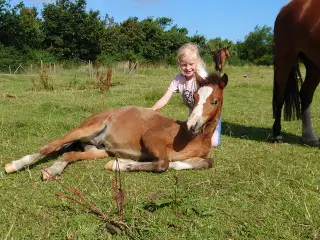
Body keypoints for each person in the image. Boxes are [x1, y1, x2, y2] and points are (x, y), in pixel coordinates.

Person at [151, 42, 222, 147]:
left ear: (197, 62)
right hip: (194, 113)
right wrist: (152, 109)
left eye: (191, 64)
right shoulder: (178, 79)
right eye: (184, 65)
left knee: (213, 142)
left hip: (208, 113)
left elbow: (210, 100)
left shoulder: (202, 78)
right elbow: (165, 98)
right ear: (179, 64)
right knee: (188, 137)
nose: (188, 68)